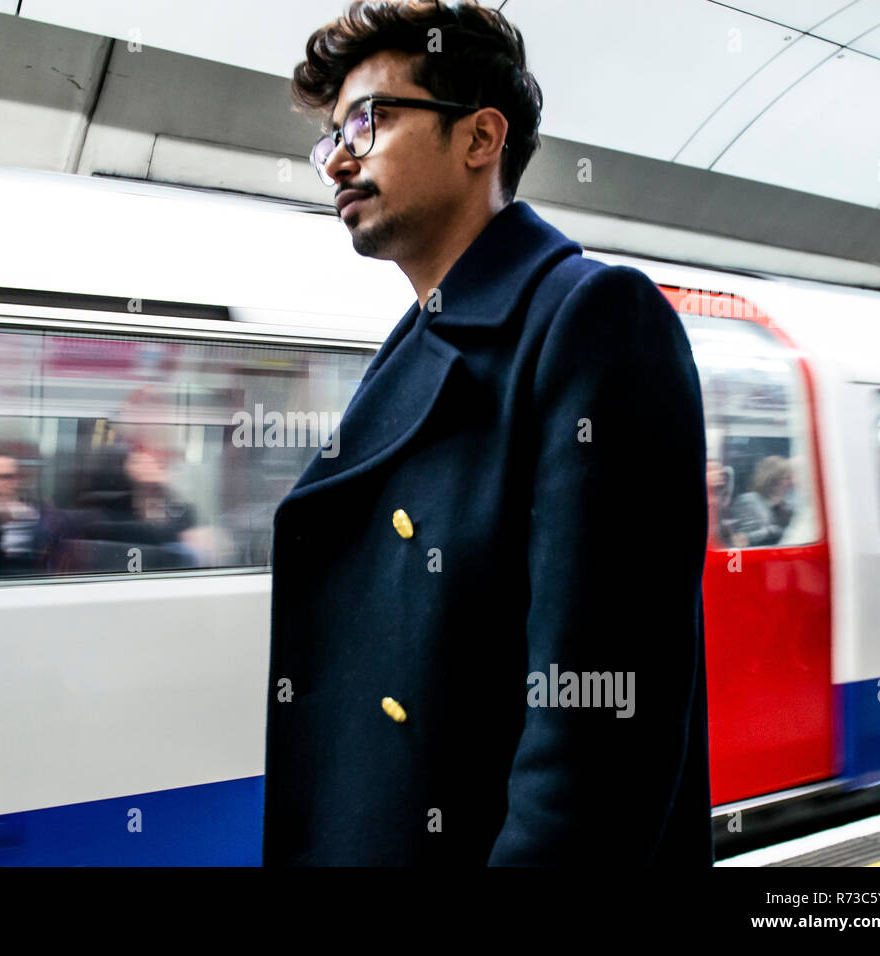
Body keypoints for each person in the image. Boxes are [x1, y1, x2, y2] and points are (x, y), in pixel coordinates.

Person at [264, 0, 711, 865]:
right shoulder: (421, 339)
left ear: (480, 139)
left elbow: (596, 736)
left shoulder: (591, 321)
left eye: (371, 118)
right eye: (330, 138)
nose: (339, 157)